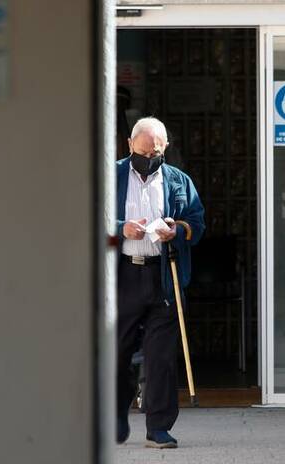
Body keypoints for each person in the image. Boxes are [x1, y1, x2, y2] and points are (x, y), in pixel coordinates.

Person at [116, 117, 205, 449]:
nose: (148, 158)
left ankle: (158, 427)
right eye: (142, 152)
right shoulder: (112, 175)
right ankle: (114, 416)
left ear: (165, 147)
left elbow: (197, 223)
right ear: (130, 145)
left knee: (161, 357)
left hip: (163, 275)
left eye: (155, 152)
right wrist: (121, 228)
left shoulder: (178, 180)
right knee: (118, 350)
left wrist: (176, 230)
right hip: (123, 276)